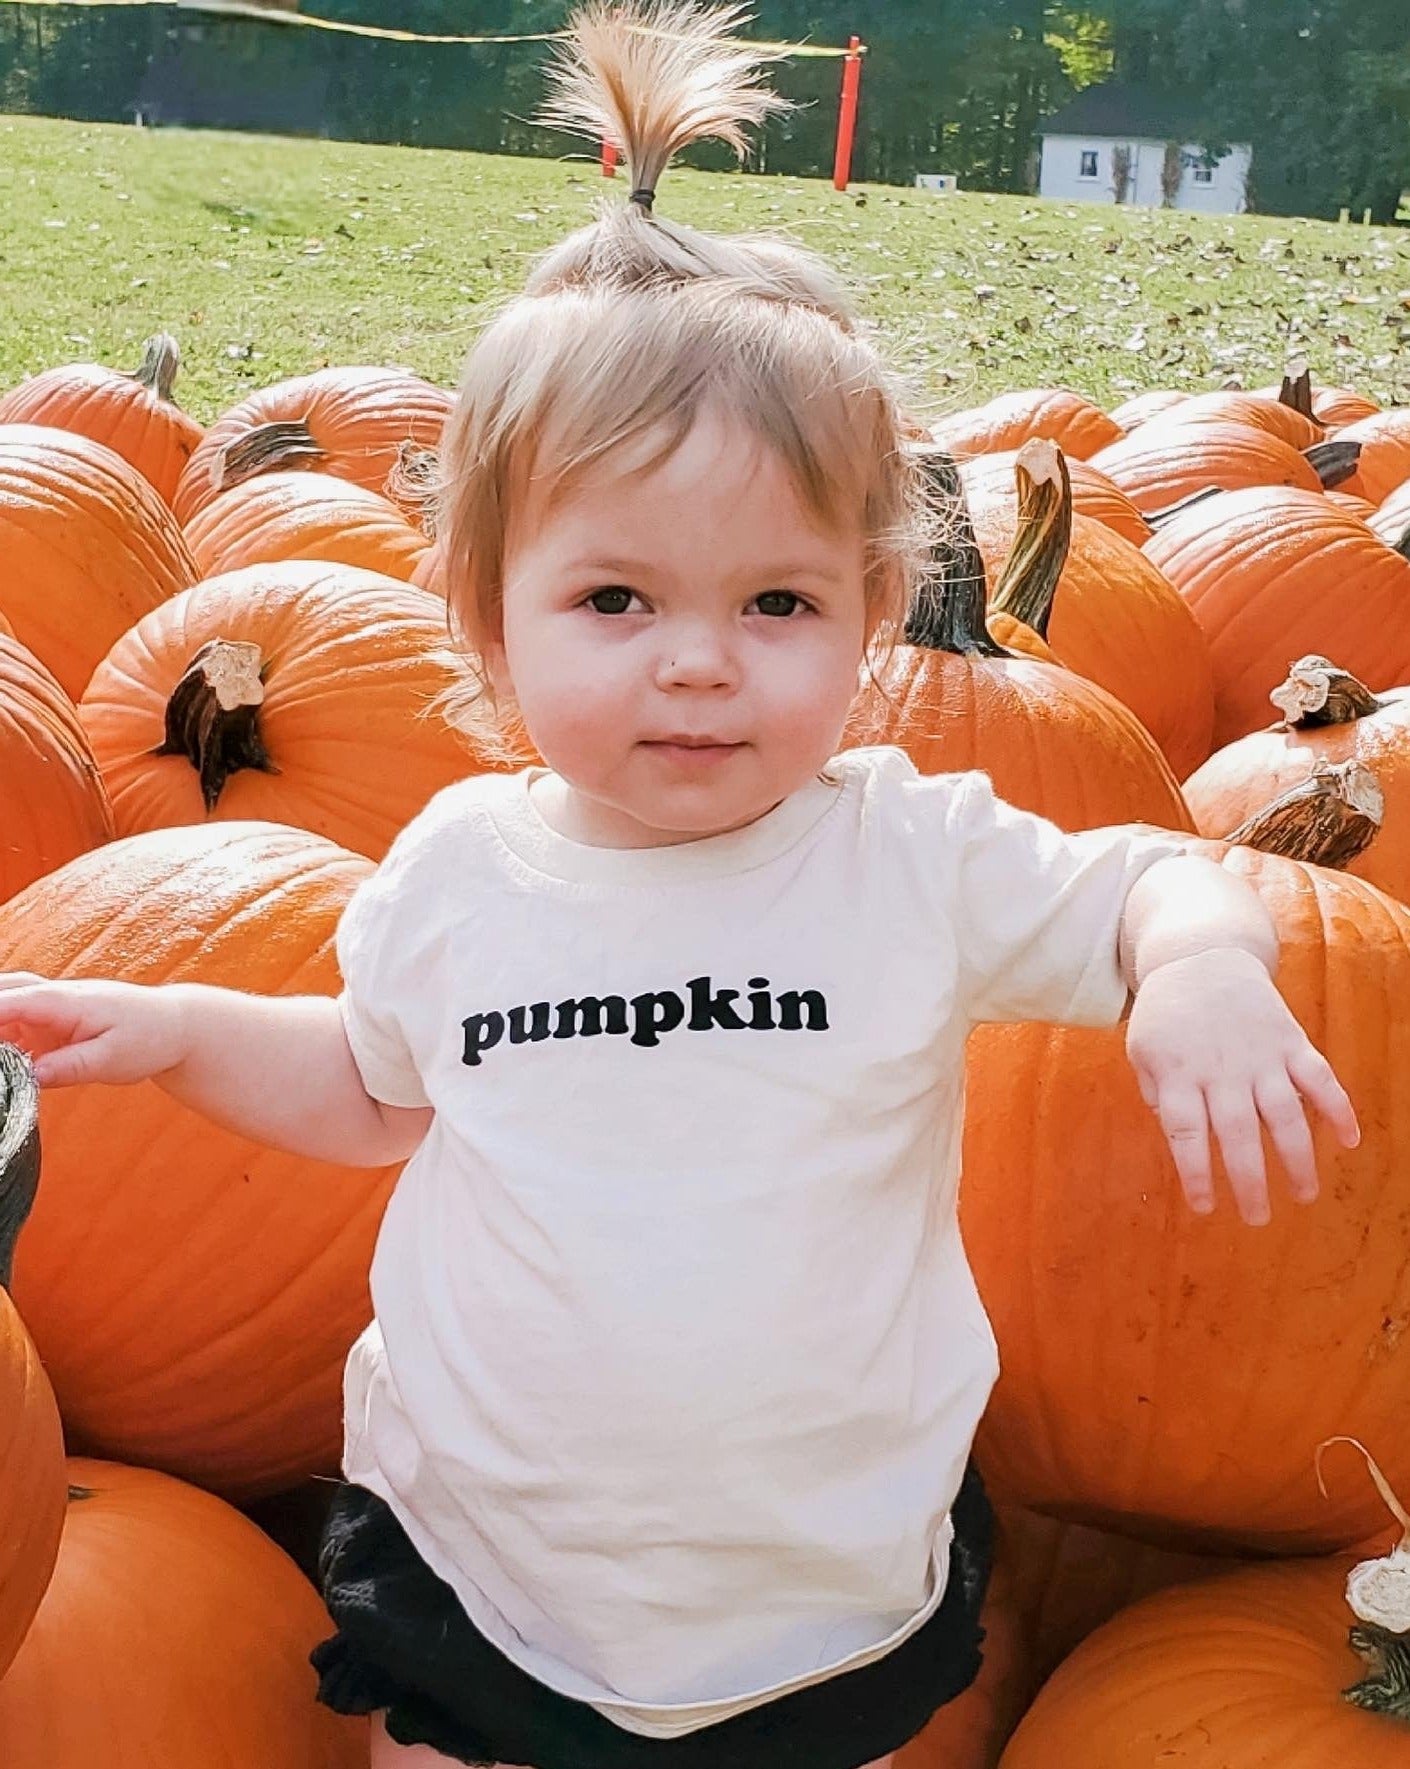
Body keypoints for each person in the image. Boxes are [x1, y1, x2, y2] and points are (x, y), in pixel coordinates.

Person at [0, 5, 1359, 1767]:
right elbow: (365, 1084)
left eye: (777, 604)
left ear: (875, 616)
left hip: (823, 1582)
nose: (699, 664)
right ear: (488, 619)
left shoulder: (907, 852)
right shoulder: (456, 870)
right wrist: (183, 1023)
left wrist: (1195, 968)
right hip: (483, 1558)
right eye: (617, 603)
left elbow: (1154, 884)